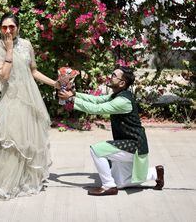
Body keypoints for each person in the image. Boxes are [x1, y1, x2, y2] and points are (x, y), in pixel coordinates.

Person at [0, 13, 59, 199]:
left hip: (30, 99)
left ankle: (23, 179)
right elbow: (4, 76)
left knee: (27, 141)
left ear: (18, 27)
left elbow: (33, 71)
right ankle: (4, 181)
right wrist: (8, 50)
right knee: (10, 141)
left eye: (12, 27)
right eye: (4, 27)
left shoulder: (26, 45)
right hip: (12, 100)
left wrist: (55, 84)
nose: (8, 31)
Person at [58, 66, 164, 196]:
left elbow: (96, 109)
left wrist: (71, 99)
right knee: (120, 183)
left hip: (134, 146)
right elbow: (97, 100)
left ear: (122, 83)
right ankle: (155, 173)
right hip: (129, 144)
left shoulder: (122, 101)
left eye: (114, 75)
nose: (110, 76)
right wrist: (75, 94)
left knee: (96, 150)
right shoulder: (117, 95)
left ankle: (108, 186)